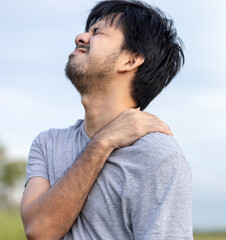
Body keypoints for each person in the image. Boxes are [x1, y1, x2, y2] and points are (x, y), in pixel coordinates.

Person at [20, 1, 192, 239]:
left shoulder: (158, 155)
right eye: (87, 30)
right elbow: (39, 231)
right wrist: (103, 143)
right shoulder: (47, 144)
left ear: (130, 60)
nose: (80, 37)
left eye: (97, 32)